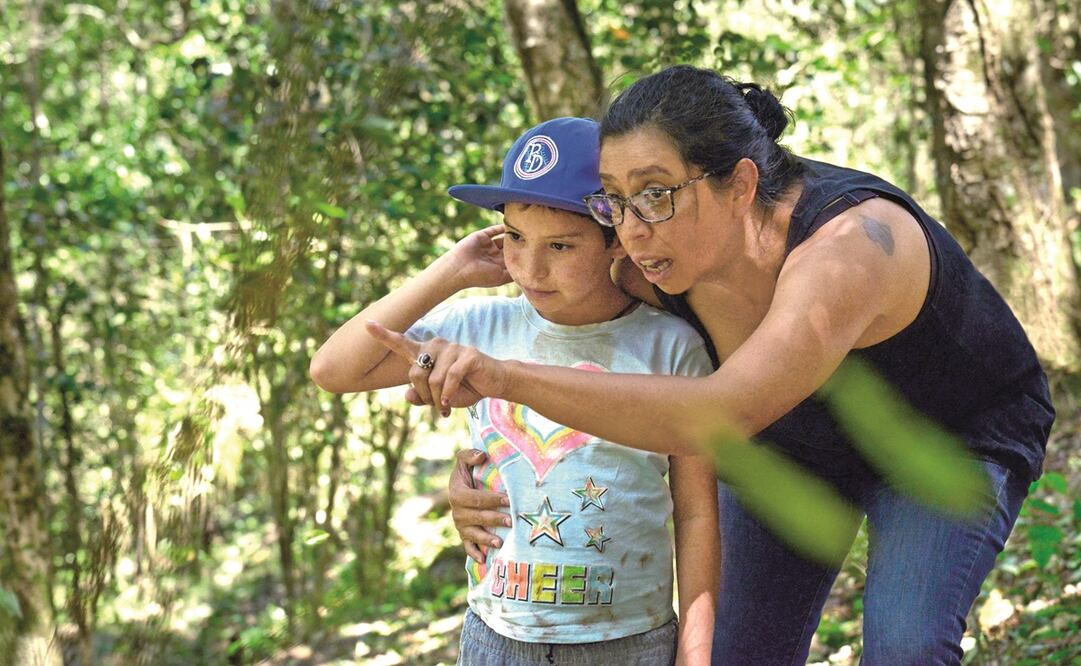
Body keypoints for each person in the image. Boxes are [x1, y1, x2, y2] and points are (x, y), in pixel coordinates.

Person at [366, 66, 1056, 665]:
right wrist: (494, 479)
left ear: (740, 184)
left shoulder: (851, 245)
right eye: (614, 198)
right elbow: (570, 357)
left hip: (943, 438)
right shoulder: (651, 260)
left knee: (903, 649)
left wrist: (503, 378)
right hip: (790, 445)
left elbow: (721, 412)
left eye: (657, 193)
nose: (631, 230)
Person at [310, 116, 720, 666]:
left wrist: (695, 655)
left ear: (616, 239)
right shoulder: (477, 327)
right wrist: (451, 270)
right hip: (495, 637)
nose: (530, 268)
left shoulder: (669, 347)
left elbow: (696, 514)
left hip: (627, 639)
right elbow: (334, 369)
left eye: (561, 246)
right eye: (515, 239)